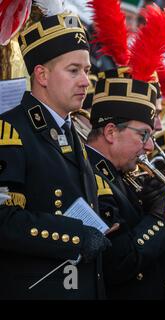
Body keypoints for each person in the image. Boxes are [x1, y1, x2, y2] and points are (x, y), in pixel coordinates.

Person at [0, 11, 110, 299]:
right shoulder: (10, 131)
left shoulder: (71, 130)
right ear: (42, 75)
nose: (86, 81)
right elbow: (4, 220)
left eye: (87, 70)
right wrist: (75, 236)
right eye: (74, 70)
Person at [85, 68, 165, 299]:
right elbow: (117, 261)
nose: (150, 148)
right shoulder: (89, 177)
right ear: (111, 132)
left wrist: (148, 206)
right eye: (144, 135)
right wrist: (158, 218)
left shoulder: (118, 175)